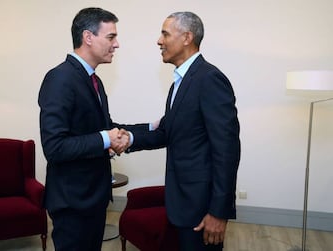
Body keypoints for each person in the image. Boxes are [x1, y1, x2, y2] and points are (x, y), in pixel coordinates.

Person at [125, 12, 241, 251]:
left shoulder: (209, 79)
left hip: (201, 209)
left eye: (165, 33)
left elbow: (226, 150)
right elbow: (168, 132)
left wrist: (219, 212)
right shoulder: (179, 82)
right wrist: (127, 137)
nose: (159, 41)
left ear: (187, 37)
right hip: (182, 205)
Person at [38, 7, 131, 251]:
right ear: (88, 37)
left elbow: (104, 128)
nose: (117, 44)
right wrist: (104, 139)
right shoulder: (59, 78)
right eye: (111, 37)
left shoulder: (94, 80)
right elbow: (55, 147)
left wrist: (148, 129)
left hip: (93, 198)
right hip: (73, 204)